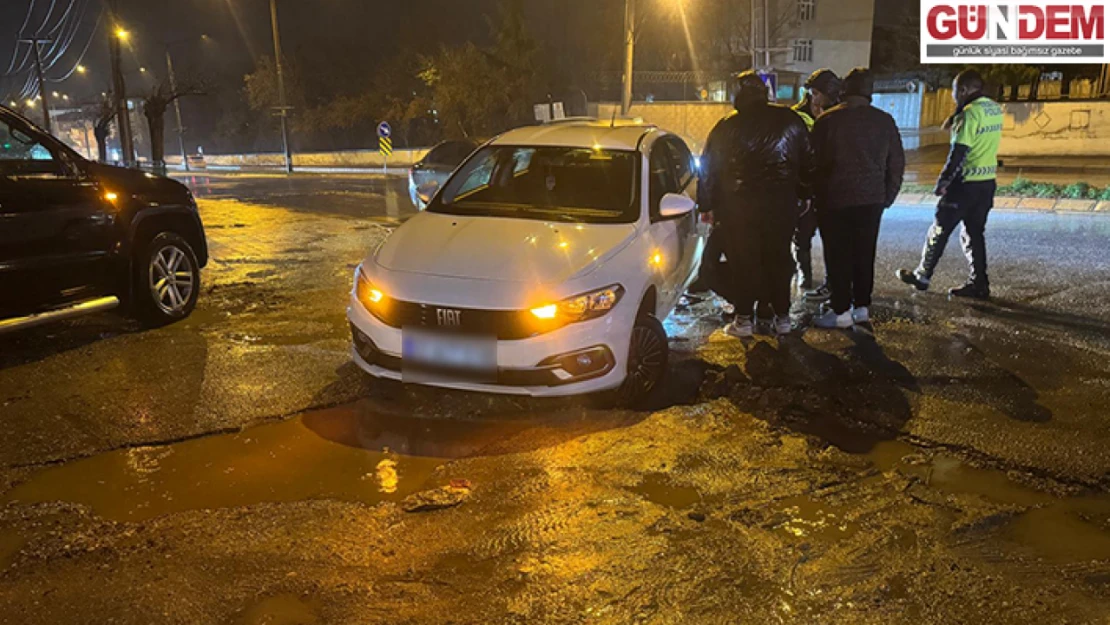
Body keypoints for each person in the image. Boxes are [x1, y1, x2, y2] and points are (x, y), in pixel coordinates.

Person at [698, 71, 812, 338]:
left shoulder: (726, 126)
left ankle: (744, 319)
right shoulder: (790, 120)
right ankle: (782, 317)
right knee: (779, 258)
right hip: (781, 204)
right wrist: (804, 194)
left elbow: (709, 169)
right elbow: (808, 160)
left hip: (738, 207)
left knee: (744, 261)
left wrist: (707, 205)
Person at [811, 67, 905, 329]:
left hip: (834, 200)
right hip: (871, 201)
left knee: (838, 255)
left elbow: (813, 164)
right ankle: (861, 308)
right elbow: (896, 163)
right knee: (864, 253)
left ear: (844, 91)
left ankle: (840, 310)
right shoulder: (884, 121)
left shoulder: (828, 121)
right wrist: (886, 197)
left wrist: (815, 197)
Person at [897, 69, 1003, 300]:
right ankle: (980, 283)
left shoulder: (969, 114)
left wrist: (944, 181)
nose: (954, 96)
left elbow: (959, 152)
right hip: (986, 184)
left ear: (963, 90)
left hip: (963, 185)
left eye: (955, 91)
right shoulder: (994, 109)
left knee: (939, 229)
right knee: (974, 233)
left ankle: (922, 276)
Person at [791, 69, 843, 301]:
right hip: (806, 184)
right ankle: (805, 273)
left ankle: (833, 283)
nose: (816, 97)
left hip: (831, 186)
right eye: (813, 93)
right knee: (802, 235)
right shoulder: (796, 116)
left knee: (834, 238)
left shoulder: (838, 115)